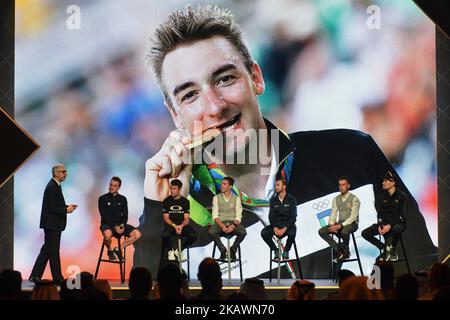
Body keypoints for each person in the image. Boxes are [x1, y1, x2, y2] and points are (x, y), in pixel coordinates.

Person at [134, 5, 437, 277]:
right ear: (175, 115)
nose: (214, 106)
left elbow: (427, 274)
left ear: (256, 77)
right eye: (190, 95)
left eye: (225, 79)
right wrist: (155, 217)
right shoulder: (177, 224)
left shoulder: (352, 153)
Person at [29, 163, 78, 283]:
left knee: (47, 250)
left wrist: (67, 206)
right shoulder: (52, 186)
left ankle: (35, 275)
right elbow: (51, 207)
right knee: (54, 252)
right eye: (63, 171)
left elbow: (55, 205)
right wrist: (66, 210)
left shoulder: (55, 185)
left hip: (52, 224)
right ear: (56, 173)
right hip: (52, 224)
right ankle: (58, 279)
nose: (66, 173)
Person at [362, 171, 407, 262]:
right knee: (365, 233)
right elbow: (380, 213)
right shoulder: (383, 196)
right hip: (385, 223)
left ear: (393, 183)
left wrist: (389, 225)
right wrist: (380, 224)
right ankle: (384, 248)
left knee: (396, 229)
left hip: (397, 223)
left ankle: (392, 248)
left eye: (386, 181)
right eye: (383, 181)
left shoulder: (402, 196)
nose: (383, 183)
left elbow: (401, 216)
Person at [98, 176, 141, 261]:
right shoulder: (102, 198)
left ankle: (118, 249)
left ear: (118, 187)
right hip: (107, 224)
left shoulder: (123, 199)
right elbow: (104, 216)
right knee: (107, 235)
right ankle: (110, 251)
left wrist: (121, 226)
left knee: (137, 234)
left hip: (120, 225)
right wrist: (115, 227)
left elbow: (125, 215)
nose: (111, 187)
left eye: (114, 186)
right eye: (111, 185)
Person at [318, 176, 360, 261]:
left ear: (348, 186)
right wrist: (331, 224)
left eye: (343, 185)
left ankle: (345, 251)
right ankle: (339, 250)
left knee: (344, 232)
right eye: (339, 185)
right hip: (340, 223)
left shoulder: (354, 199)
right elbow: (333, 213)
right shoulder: (336, 199)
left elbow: (353, 217)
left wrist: (340, 226)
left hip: (352, 224)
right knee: (322, 231)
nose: (341, 187)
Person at [208, 177, 246, 260]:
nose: (222, 185)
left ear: (230, 187)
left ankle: (233, 249)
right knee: (211, 231)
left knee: (243, 232)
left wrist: (233, 226)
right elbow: (215, 216)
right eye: (222, 183)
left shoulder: (236, 199)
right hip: (220, 223)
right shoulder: (216, 198)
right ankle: (222, 249)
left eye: (224, 184)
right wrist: (222, 226)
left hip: (232, 223)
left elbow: (238, 216)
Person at [162, 179, 198, 261]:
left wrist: (181, 226)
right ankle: (170, 251)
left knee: (194, 235)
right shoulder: (166, 201)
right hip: (171, 224)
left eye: (174, 189)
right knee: (164, 235)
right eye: (171, 188)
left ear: (179, 189)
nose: (172, 190)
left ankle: (179, 250)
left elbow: (186, 219)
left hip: (182, 225)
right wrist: (175, 226)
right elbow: (166, 218)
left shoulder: (185, 202)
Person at [261, 178, 297, 260]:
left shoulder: (292, 200)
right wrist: (275, 228)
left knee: (292, 233)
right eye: (275, 185)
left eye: (278, 185)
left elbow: (293, 216)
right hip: (276, 226)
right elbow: (271, 217)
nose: (275, 187)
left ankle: (286, 251)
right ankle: (276, 250)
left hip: (288, 226)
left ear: (284, 186)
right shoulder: (273, 200)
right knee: (264, 233)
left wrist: (284, 229)